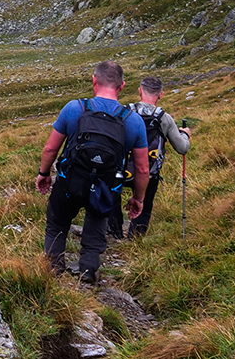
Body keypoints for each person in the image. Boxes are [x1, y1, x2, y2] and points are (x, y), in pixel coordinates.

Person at [35, 60, 149, 284]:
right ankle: (88, 273)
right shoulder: (133, 121)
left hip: (70, 182)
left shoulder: (74, 108)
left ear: (94, 80)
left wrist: (44, 173)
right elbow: (143, 169)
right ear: (122, 86)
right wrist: (138, 198)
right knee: (96, 224)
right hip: (106, 186)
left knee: (57, 224)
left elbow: (50, 148)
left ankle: (53, 272)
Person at [110, 76, 191, 239]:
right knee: (145, 207)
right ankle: (135, 240)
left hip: (120, 169)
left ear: (140, 91)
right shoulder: (164, 118)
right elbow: (182, 148)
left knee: (113, 200)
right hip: (149, 172)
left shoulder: (124, 112)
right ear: (160, 94)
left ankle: (114, 234)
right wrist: (185, 136)